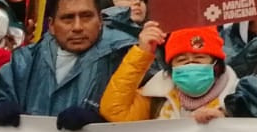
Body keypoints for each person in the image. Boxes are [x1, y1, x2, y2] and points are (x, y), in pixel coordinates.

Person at [0, 0, 133, 128]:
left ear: (100, 20)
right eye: (67, 18)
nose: (77, 27)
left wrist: (101, 124)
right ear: (52, 25)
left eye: (86, 16)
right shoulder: (25, 61)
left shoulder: (123, 58)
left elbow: (143, 116)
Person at [100, 23, 237, 122]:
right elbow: (114, 111)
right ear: (171, 68)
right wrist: (142, 53)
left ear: (216, 65)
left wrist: (225, 121)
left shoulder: (238, 97)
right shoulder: (157, 96)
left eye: (199, 58)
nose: (190, 64)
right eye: (182, 60)